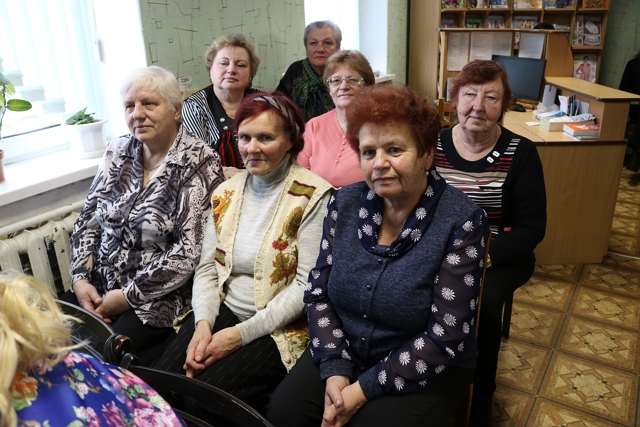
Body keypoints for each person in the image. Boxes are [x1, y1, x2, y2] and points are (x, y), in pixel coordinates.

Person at [267, 84, 490, 427]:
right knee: (284, 414)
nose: (380, 163)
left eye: (394, 149)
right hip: (345, 348)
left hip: (428, 364)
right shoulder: (343, 203)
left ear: (426, 155)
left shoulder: (462, 221)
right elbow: (318, 293)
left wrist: (360, 391)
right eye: (368, 152)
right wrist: (336, 370)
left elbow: (446, 336)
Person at [153, 92, 333, 414]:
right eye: (245, 137)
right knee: (160, 385)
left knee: (203, 400)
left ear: (290, 140)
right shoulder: (226, 192)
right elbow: (207, 269)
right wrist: (203, 323)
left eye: (266, 138)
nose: (252, 148)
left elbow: (306, 286)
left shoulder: (312, 196)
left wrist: (237, 336)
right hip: (224, 309)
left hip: (279, 326)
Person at [62, 66, 224, 366]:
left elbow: (188, 252)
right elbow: (88, 221)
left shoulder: (200, 161)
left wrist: (127, 296)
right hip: (98, 286)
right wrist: (80, 280)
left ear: (176, 110)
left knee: (96, 355)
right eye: (129, 106)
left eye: (149, 103)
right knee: (43, 333)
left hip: (156, 300)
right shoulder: (118, 150)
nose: (137, 114)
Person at [434, 59, 547, 427]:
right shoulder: (434, 144)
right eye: (469, 95)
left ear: (505, 104)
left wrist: (477, 258)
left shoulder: (521, 151)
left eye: (491, 97)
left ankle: (480, 394)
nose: (478, 107)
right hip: (439, 250)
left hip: (499, 254)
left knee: (482, 304)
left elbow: (532, 228)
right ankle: (428, 373)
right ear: (455, 99)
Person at [1, 274, 187, 427]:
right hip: (150, 407)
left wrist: (126, 297)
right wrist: (79, 281)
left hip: (155, 296)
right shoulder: (65, 356)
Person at [182, 33, 260, 179]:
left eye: (240, 65)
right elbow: (196, 164)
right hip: (217, 186)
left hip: (263, 184)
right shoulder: (195, 106)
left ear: (251, 74)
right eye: (223, 63)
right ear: (210, 69)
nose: (231, 70)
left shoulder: (264, 103)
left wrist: (246, 177)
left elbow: (279, 155)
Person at [297, 50, 375, 187]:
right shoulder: (314, 126)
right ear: (329, 88)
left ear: (367, 86)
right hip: (318, 199)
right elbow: (299, 176)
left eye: (353, 79)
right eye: (336, 81)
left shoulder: (378, 126)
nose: (343, 86)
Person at [277, 20, 341, 121]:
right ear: (306, 49)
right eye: (313, 43)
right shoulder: (295, 70)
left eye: (327, 43)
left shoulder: (347, 73)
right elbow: (277, 105)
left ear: (338, 48)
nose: (320, 49)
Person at [619, 50, 640, 172]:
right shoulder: (633, 64)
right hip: (634, 104)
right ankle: (637, 154)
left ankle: (637, 154)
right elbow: (623, 90)